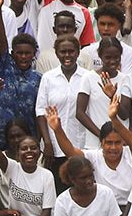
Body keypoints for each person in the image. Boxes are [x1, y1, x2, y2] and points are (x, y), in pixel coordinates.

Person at [37, 28, 103, 162]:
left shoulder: (88, 77)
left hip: (82, 145)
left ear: (78, 52)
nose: (67, 55)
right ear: (56, 53)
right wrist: (47, 142)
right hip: (55, 147)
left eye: (71, 51)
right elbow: (40, 111)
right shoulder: (48, 78)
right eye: (63, 51)